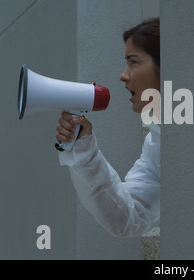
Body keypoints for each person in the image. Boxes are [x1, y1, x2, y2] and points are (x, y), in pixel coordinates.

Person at [55, 17, 161, 238]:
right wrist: (83, 149)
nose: (123, 75)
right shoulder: (157, 143)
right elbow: (127, 219)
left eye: (133, 62)